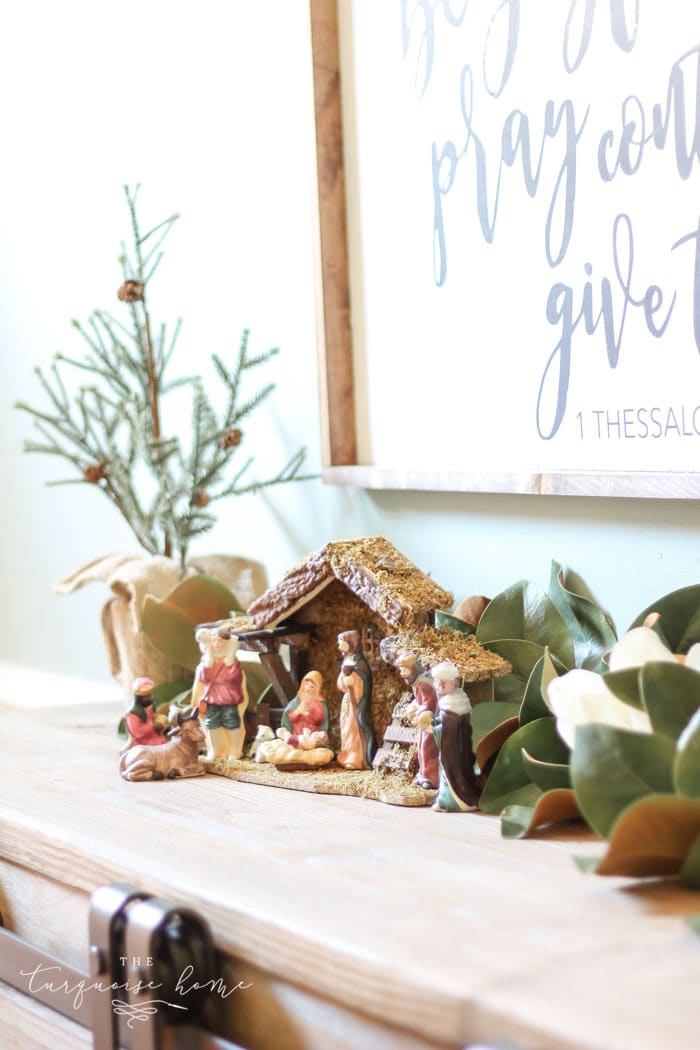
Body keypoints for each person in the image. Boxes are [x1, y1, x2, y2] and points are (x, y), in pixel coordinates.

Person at [418, 661, 480, 812]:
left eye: (442, 683)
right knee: (446, 775)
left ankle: (456, 802)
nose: (438, 687)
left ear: (453, 683)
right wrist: (433, 722)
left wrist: (434, 729)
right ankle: (444, 800)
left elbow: (450, 728)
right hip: (451, 750)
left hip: (455, 750)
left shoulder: (455, 702)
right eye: (438, 683)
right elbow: (444, 721)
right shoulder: (448, 700)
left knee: (453, 776)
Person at [192, 626, 249, 761]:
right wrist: (209, 662)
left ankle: (234, 750)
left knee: (232, 723)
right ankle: (214, 750)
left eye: (220, 641)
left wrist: (228, 662)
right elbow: (203, 678)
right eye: (214, 641)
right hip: (211, 699)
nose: (217, 644)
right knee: (212, 724)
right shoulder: (206, 661)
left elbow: (233, 678)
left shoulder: (232, 662)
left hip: (228, 699)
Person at [396, 651, 439, 790]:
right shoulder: (419, 683)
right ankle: (423, 774)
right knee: (421, 748)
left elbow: (429, 705)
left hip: (429, 723)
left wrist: (417, 712)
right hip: (424, 724)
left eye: (405, 669)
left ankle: (431, 778)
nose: (402, 673)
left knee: (428, 749)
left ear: (414, 668)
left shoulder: (423, 685)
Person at [336, 630, 375, 770]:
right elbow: (341, 684)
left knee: (354, 727)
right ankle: (346, 754)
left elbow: (364, 680)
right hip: (348, 699)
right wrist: (343, 680)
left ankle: (357, 757)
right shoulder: (346, 660)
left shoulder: (360, 662)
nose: (339, 646)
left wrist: (353, 681)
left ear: (352, 644)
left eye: (342, 643)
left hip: (357, 701)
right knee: (345, 727)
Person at [281, 671, 330, 747]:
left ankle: (307, 744)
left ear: (317, 688)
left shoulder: (318, 703)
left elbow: (319, 719)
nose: (307, 689)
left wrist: (306, 714)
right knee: (294, 741)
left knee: (308, 741)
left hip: (311, 732)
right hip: (297, 731)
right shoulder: (298, 699)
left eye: (312, 687)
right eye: (306, 685)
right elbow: (290, 717)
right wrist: (297, 712)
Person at [124, 676, 167, 749]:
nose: (151, 697)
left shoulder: (150, 706)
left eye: (150, 695)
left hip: (154, 736)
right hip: (142, 743)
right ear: (139, 698)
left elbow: (153, 717)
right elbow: (137, 732)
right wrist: (153, 725)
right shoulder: (133, 714)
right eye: (147, 696)